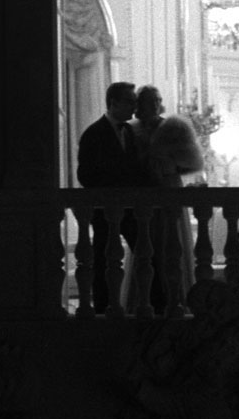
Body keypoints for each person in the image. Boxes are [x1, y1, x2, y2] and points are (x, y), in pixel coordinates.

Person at [123, 84, 204, 314]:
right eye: (149, 101)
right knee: (146, 245)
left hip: (168, 189)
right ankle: (144, 300)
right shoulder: (130, 129)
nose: (155, 105)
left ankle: (176, 297)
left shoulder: (173, 127)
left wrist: (167, 167)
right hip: (143, 193)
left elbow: (193, 162)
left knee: (172, 244)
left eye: (157, 100)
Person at [76, 81, 148, 313]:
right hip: (106, 210)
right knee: (103, 260)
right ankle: (102, 308)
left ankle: (146, 305)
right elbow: (85, 175)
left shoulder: (130, 131)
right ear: (113, 102)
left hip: (132, 209)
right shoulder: (93, 133)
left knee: (147, 255)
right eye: (130, 101)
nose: (134, 107)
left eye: (135, 102)